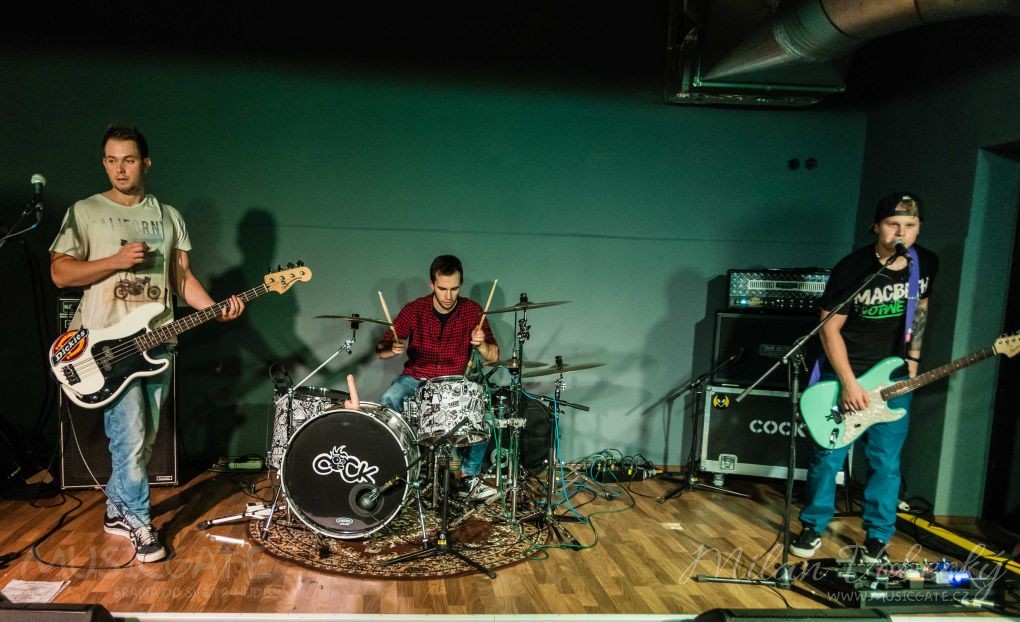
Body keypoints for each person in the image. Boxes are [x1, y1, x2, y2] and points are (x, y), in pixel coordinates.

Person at [50, 125, 245, 562]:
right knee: (131, 436)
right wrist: (115, 261)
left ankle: (116, 511)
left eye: (129, 160)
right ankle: (140, 522)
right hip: (106, 347)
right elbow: (60, 273)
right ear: (104, 163)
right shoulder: (86, 211)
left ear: (146, 163)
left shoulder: (169, 216)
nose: (120, 169)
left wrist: (215, 308)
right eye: (111, 160)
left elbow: (181, 278)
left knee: (146, 438)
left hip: (157, 340)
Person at [790, 192, 938, 563]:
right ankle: (813, 526)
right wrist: (849, 382)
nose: (901, 232)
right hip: (846, 373)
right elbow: (829, 329)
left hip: (893, 378)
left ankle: (877, 538)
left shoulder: (926, 263)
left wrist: (914, 358)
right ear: (876, 226)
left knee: (886, 462)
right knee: (829, 456)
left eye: (910, 225)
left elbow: (921, 306)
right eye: (893, 224)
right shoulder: (853, 268)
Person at [376, 255, 500, 501]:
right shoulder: (414, 309)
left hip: (455, 383)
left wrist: (482, 344)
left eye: (454, 289)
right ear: (432, 284)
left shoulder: (472, 311)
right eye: (442, 289)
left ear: (460, 285)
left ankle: (468, 478)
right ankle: (400, 470)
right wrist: (393, 348)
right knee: (389, 399)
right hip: (416, 378)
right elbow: (381, 349)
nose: (448, 296)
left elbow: (494, 356)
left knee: (485, 412)